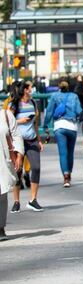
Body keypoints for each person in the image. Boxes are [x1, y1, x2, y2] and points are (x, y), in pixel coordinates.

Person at [9, 81, 44, 212]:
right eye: (30, 87)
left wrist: (39, 140)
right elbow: (7, 121)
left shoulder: (33, 103)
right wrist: (20, 121)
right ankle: (16, 201)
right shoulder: (14, 104)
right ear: (24, 90)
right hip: (18, 141)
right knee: (18, 171)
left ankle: (33, 199)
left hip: (32, 140)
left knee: (36, 167)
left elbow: (35, 125)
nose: (32, 89)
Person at [44, 80, 82, 188]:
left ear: (59, 87)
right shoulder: (74, 96)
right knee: (70, 153)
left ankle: (65, 177)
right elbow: (79, 111)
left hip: (59, 126)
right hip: (72, 127)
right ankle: (69, 175)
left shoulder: (54, 96)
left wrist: (45, 125)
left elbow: (49, 112)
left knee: (63, 153)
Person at [0, 103, 23, 240]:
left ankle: (0, 227)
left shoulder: (5, 115)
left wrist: (19, 155)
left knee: (2, 193)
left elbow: (16, 135)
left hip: (3, 160)